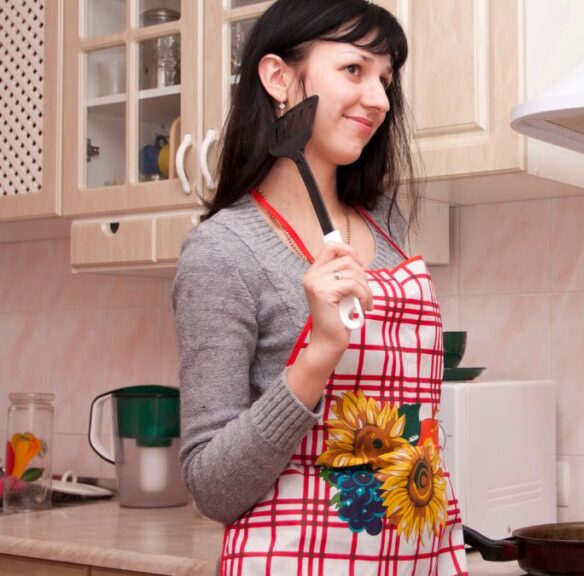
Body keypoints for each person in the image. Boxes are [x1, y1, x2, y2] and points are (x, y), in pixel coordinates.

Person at [172, 1, 467, 573]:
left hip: (413, 556)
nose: (380, 99)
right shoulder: (223, 252)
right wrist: (318, 357)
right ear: (279, 78)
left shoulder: (386, 222)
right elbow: (210, 487)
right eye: (354, 70)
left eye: (385, 78)